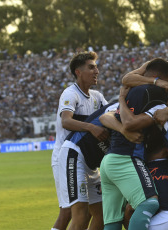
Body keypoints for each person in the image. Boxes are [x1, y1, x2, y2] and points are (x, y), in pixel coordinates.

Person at [99, 58, 168, 230]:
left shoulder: (129, 93)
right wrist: (166, 107)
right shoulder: (154, 92)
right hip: (126, 158)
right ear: (158, 78)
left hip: (108, 162)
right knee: (149, 203)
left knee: (113, 220)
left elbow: (104, 117)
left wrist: (121, 100)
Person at [57, 102, 142, 230]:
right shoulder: (120, 107)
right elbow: (105, 118)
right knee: (81, 216)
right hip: (76, 153)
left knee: (103, 214)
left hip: (94, 166)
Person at [51, 51, 109, 230]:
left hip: (89, 162)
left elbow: (112, 116)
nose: (96, 71)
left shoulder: (97, 97)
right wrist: (92, 127)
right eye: (91, 67)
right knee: (70, 213)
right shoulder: (70, 93)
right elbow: (66, 121)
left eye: (96, 67)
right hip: (66, 159)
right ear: (78, 72)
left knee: (101, 213)